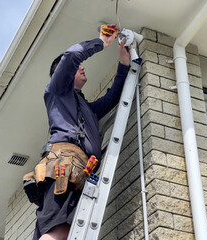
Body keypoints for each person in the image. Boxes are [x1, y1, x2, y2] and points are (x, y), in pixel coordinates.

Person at [31, 24, 130, 240]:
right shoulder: (57, 91)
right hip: (62, 168)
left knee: (65, 233)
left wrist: (124, 64)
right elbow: (71, 57)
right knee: (57, 232)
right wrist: (102, 43)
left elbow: (112, 98)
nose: (82, 68)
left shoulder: (86, 109)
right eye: (79, 67)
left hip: (77, 175)